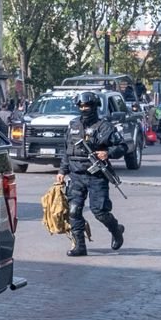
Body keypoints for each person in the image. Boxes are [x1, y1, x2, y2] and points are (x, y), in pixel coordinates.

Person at [56, 91, 127, 257]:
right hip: (76, 175)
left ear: (95, 107)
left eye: (87, 106)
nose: (84, 108)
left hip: (96, 175)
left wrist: (107, 153)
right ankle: (79, 246)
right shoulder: (73, 125)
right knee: (73, 211)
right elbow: (67, 151)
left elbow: (122, 146)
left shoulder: (105, 127)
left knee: (100, 212)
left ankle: (116, 230)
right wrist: (62, 171)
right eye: (81, 106)